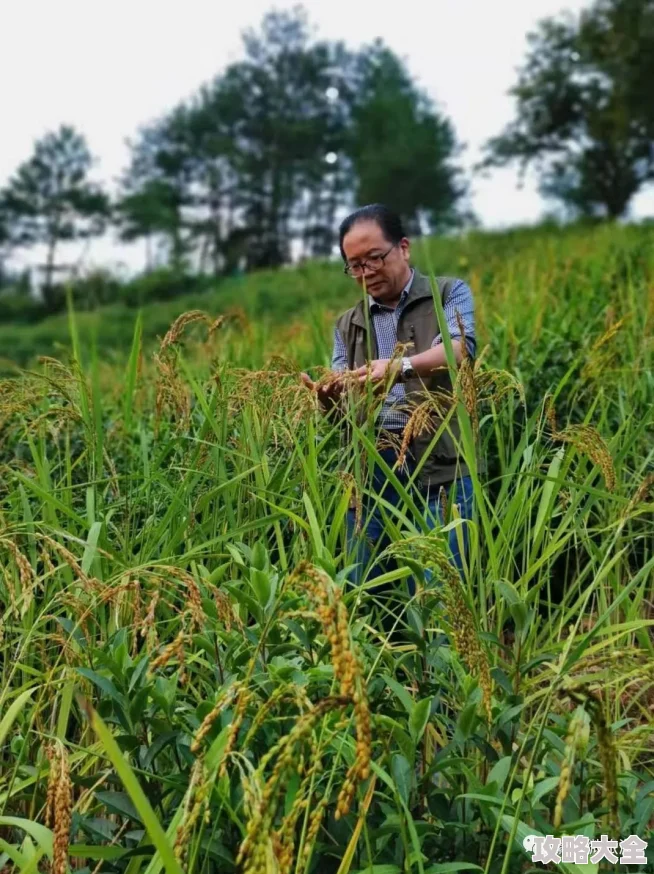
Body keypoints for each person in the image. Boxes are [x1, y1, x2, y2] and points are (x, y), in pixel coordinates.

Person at [302, 203, 476, 596]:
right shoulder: (348, 323)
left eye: (374, 258)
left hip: (442, 462)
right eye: (355, 265)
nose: (366, 273)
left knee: (442, 594)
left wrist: (398, 367)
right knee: (363, 590)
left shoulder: (448, 293)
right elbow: (344, 408)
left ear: (403, 247)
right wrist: (326, 398)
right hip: (372, 469)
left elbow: (459, 349)